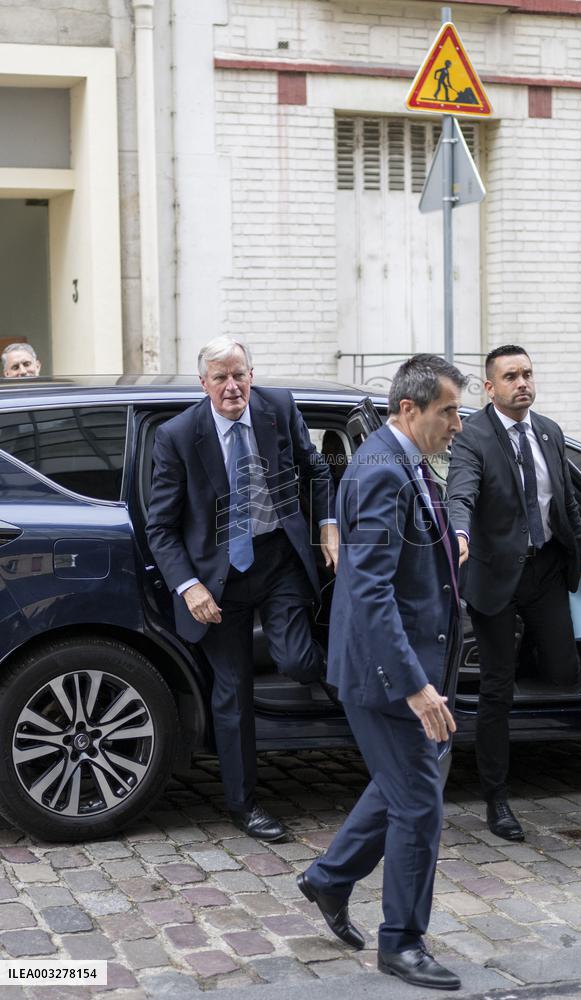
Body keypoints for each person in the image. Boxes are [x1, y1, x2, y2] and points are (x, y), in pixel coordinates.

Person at [297, 354, 465, 991]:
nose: (456, 424)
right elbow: (368, 593)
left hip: (409, 659)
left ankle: (330, 878)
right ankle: (402, 943)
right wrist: (416, 685)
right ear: (409, 409)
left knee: (404, 785)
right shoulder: (379, 472)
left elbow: (404, 562)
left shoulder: (406, 464)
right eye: (447, 412)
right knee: (419, 804)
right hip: (386, 673)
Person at [146, 336, 338, 842]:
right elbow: (161, 527)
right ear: (203, 383)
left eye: (240, 374)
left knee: (298, 661)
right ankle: (245, 806)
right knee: (233, 694)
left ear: (251, 373)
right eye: (220, 377)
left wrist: (328, 524)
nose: (233, 387)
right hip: (216, 580)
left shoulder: (278, 407)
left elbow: (315, 469)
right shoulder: (178, 436)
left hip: (278, 561)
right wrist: (188, 586)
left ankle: (348, 682)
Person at [446, 345, 581, 842]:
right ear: (489, 387)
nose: (522, 382)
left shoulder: (549, 432)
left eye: (527, 374)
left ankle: (519, 650)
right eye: (510, 376)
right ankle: (497, 799)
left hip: (544, 570)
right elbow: (461, 492)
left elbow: (567, 507)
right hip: (495, 575)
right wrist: (459, 533)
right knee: (498, 690)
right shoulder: (471, 436)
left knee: (565, 670)